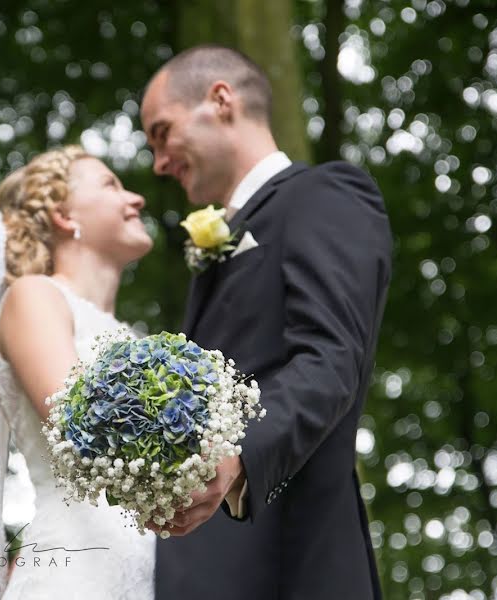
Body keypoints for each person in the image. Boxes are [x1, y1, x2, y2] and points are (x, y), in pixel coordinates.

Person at [140, 45, 392, 599]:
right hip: (206, 569)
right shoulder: (217, 243)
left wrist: (234, 454)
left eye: (161, 132)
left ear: (221, 100)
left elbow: (330, 357)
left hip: (291, 561)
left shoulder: (323, 194)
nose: (158, 162)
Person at [0, 146, 156, 599]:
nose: (137, 198)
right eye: (111, 184)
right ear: (65, 217)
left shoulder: (132, 336)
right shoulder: (33, 297)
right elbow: (81, 424)